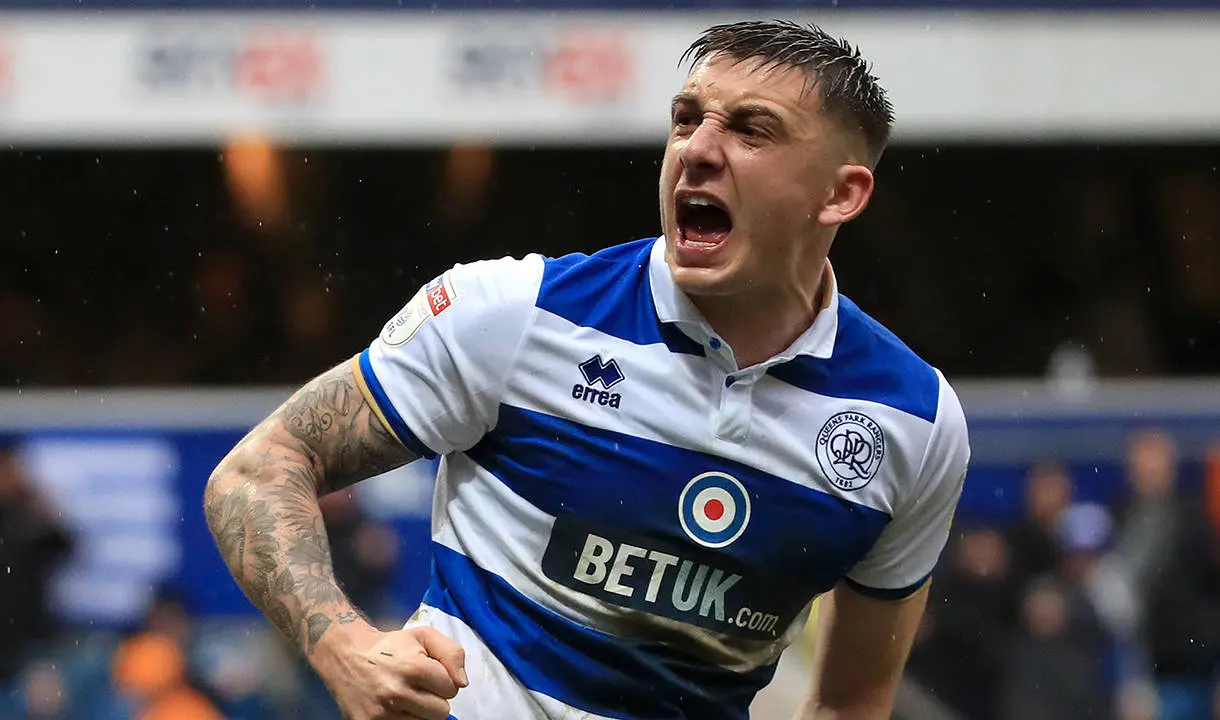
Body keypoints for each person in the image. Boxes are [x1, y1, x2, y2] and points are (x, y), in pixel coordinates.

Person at [204, 19, 970, 720]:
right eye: (686, 119)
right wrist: (342, 645)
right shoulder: (514, 315)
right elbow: (255, 470)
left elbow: (850, 702)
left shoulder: (915, 422)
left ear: (841, 194)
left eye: (751, 129)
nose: (697, 150)